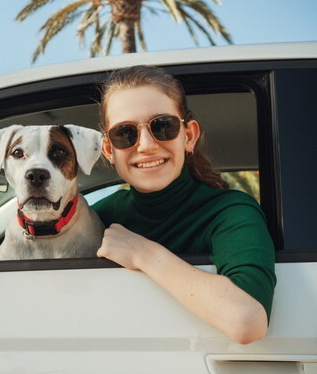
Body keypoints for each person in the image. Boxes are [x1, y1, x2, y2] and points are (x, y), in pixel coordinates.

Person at [92, 65, 276, 344]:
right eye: (125, 133)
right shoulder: (99, 216)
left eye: (163, 126)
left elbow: (247, 321)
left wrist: (143, 254)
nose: (145, 145)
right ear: (109, 150)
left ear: (188, 136)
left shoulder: (230, 212)